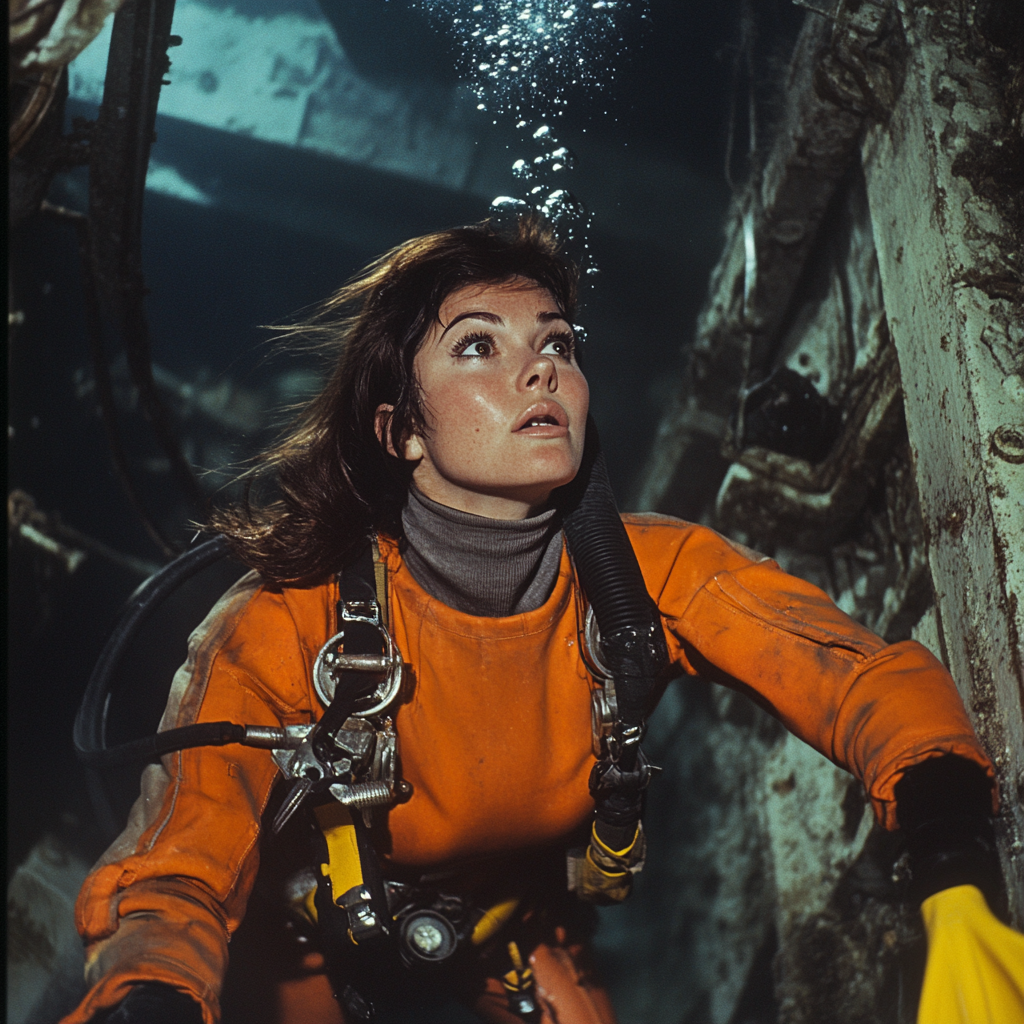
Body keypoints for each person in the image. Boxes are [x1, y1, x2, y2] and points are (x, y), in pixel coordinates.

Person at [63, 216, 1014, 1024]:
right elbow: (177, 870)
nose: (540, 372)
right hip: (306, 966)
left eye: (555, 342)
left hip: (509, 946)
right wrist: (153, 992)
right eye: (479, 345)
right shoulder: (284, 625)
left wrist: (955, 875)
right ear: (402, 430)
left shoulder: (649, 575)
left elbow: (861, 679)